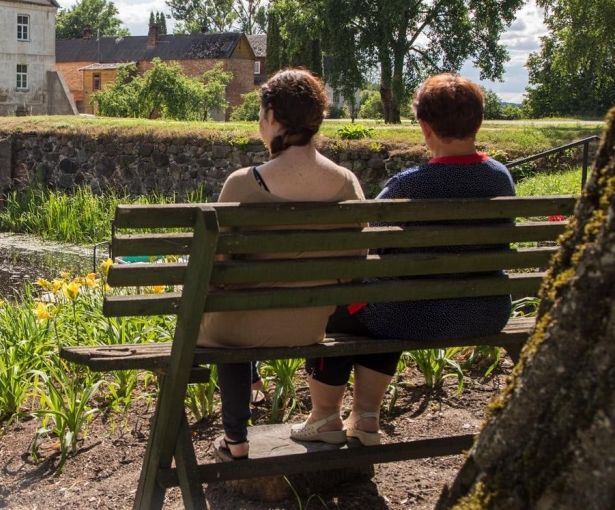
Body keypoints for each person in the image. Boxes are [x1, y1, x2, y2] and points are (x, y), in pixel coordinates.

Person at [292, 73, 516, 446]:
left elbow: (366, 239)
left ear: (425, 127)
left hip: (414, 316)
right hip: (486, 311)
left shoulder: (411, 184)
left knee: (335, 307)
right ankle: (365, 417)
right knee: (388, 301)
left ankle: (325, 416)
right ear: (477, 122)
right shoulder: (500, 178)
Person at [198, 68, 366, 461]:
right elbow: (352, 268)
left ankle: (236, 439)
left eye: (261, 114)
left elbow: (217, 271)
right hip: (309, 325)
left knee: (228, 315)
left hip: (238, 330)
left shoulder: (242, 184)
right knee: (239, 309)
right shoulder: (347, 184)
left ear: (272, 116)